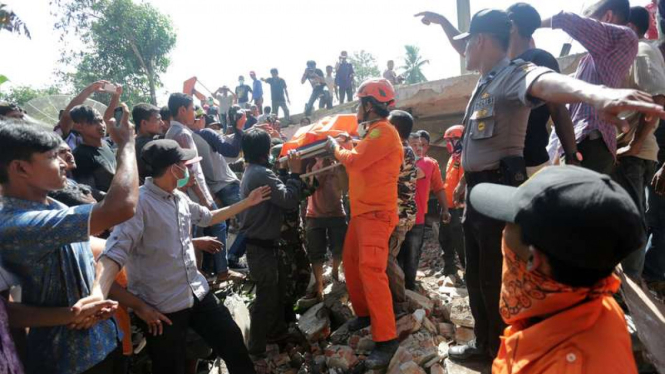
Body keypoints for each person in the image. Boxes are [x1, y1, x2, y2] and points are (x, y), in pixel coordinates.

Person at [415, 7, 665, 361]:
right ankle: (485, 344)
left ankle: (503, 350)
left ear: (481, 40)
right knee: (476, 275)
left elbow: (547, 83)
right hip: (478, 189)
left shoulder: (516, 73)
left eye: (467, 42)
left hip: (500, 182)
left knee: (495, 277)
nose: (463, 49)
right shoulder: (485, 80)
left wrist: (595, 95)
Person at [90, 139, 268, 374]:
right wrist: (103, 294)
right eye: (185, 164)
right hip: (162, 309)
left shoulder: (178, 198)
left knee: (232, 342)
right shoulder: (138, 205)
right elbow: (113, 254)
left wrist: (247, 202)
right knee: (170, 367)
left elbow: (208, 217)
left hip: (196, 292)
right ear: (175, 169)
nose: (189, 169)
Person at [0, 105, 139, 373]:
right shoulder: (18, 223)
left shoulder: (51, 204)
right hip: (67, 362)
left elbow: (95, 252)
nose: (65, 163)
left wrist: (96, 293)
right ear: (20, 168)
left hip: (103, 343)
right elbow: (122, 206)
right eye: (53, 157)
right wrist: (126, 145)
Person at [469, 166, 642, 374]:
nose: (503, 232)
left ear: (533, 259)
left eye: (510, 222)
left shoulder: (563, 366)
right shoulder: (596, 303)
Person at [326, 78, 403, 369]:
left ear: (369, 106)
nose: (358, 109)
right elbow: (362, 151)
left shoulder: (384, 132)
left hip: (375, 215)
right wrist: (350, 143)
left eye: (360, 103)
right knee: (352, 262)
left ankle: (386, 339)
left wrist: (336, 147)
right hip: (363, 214)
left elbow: (355, 161)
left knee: (371, 271)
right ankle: (365, 314)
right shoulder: (375, 133)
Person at [544, 0, 638, 174]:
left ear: (608, 16)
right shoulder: (591, 60)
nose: (586, 29)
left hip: (590, 143)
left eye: (590, 20)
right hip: (583, 145)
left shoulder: (624, 38)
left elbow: (568, 20)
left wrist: (531, 24)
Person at [238, 128, 306, 360]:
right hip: (261, 247)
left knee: (274, 292)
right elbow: (288, 201)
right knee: (266, 298)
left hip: (263, 245)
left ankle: (276, 332)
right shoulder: (260, 174)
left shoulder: (253, 171)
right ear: (265, 150)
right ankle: (256, 348)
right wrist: (295, 174)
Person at [613, 6, 665, 280]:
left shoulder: (642, 50)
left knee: (631, 219)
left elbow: (658, 98)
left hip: (634, 154)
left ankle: (632, 286)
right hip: (631, 152)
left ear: (630, 25)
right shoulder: (631, 54)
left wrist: (634, 143)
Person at [506, 3, 580, 174]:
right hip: (504, 164)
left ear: (511, 24)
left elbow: (558, 109)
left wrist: (572, 155)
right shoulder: (502, 66)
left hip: (530, 163)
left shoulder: (538, 58)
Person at [398, 130, 450, 291]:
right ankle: (397, 288)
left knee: (412, 255)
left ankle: (409, 289)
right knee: (397, 255)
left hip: (417, 218)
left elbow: (438, 188)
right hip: (397, 217)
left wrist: (445, 209)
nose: (419, 148)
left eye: (421, 145)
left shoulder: (427, 163)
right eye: (414, 145)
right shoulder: (399, 163)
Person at [386, 110, 418, 317]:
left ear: (395, 129)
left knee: (387, 258)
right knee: (386, 257)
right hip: (398, 214)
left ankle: (399, 302)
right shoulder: (401, 149)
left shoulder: (402, 150)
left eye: (388, 125)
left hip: (400, 216)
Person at [303, 156, 347, 303]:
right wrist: (321, 167)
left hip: (336, 213)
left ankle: (335, 271)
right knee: (316, 253)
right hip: (314, 215)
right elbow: (311, 188)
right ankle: (319, 285)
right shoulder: (310, 165)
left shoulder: (337, 164)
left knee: (339, 248)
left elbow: (345, 187)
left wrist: (339, 169)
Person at [438, 125, 466, 284]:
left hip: (458, 208)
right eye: (449, 140)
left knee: (461, 243)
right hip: (447, 207)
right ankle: (449, 269)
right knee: (445, 239)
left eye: (453, 139)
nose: (450, 143)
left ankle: (469, 271)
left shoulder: (465, 158)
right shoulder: (453, 157)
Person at [70, 105, 117, 192]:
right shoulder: (80, 155)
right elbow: (89, 192)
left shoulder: (106, 145)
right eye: (93, 122)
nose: (101, 126)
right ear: (79, 127)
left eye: (101, 121)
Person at [49, 141, 106, 206]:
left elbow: (96, 193)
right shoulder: (55, 188)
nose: (69, 155)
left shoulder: (71, 182)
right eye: (62, 152)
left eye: (69, 151)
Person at [133, 103, 165, 184]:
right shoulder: (149, 147)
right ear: (144, 123)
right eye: (158, 120)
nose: (162, 123)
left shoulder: (133, 143)